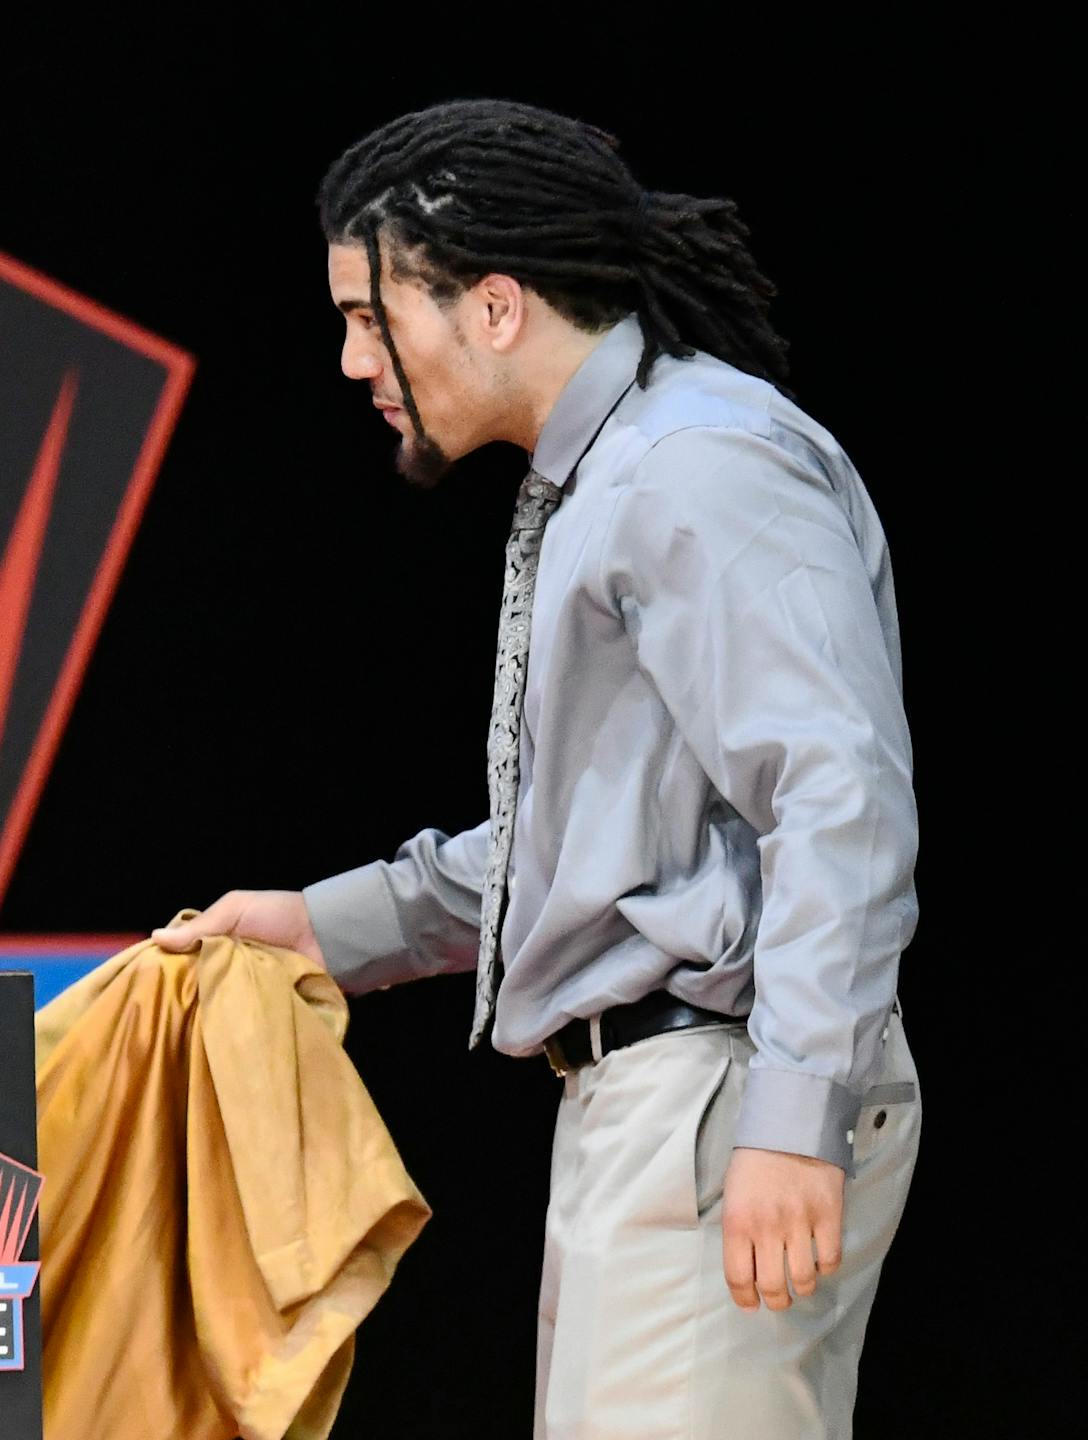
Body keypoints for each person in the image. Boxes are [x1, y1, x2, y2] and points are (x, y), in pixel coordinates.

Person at [155, 100, 918, 1438]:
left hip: (721, 1087)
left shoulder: (694, 465)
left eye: (366, 315)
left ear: (494, 306)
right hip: (656, 1100)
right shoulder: (607, 472)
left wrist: (797, 1114)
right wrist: (325, 926)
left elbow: (836, 797)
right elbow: (587, 846)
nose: (350, 361)